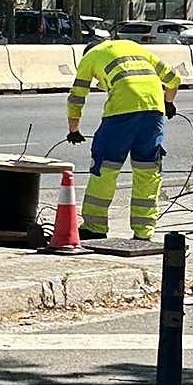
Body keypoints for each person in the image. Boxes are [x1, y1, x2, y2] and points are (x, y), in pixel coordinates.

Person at [66, 38, 180, 241]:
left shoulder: (90, 57)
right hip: (154, 110)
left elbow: (77, 95)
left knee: (105, 169)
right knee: (148, 170)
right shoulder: (134, 47)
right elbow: (173, 78)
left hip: (121, 112)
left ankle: (94, 227)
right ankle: (144, 232)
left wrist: (73, 129)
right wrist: (168, 102)